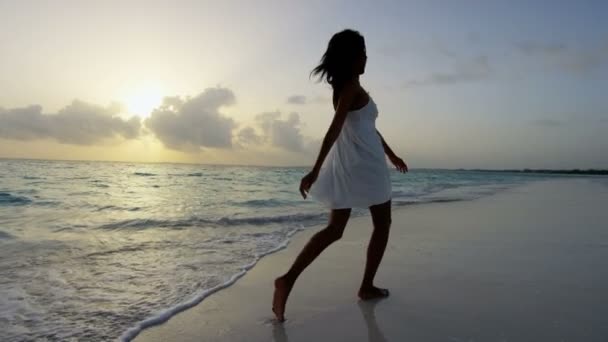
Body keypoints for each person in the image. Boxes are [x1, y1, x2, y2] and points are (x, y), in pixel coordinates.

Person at [272, 29, 408, 322]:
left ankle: (287, 279)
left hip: (357, 163)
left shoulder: (351, 87)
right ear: (352, 57)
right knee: (382, 224)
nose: (366, 59)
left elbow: (368, 127)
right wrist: (315, 169)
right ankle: (366, 286)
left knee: (335, 229)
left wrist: (392, 154)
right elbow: (334, 130)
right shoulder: (349, 89)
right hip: (366, 167)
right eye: (362, 54)